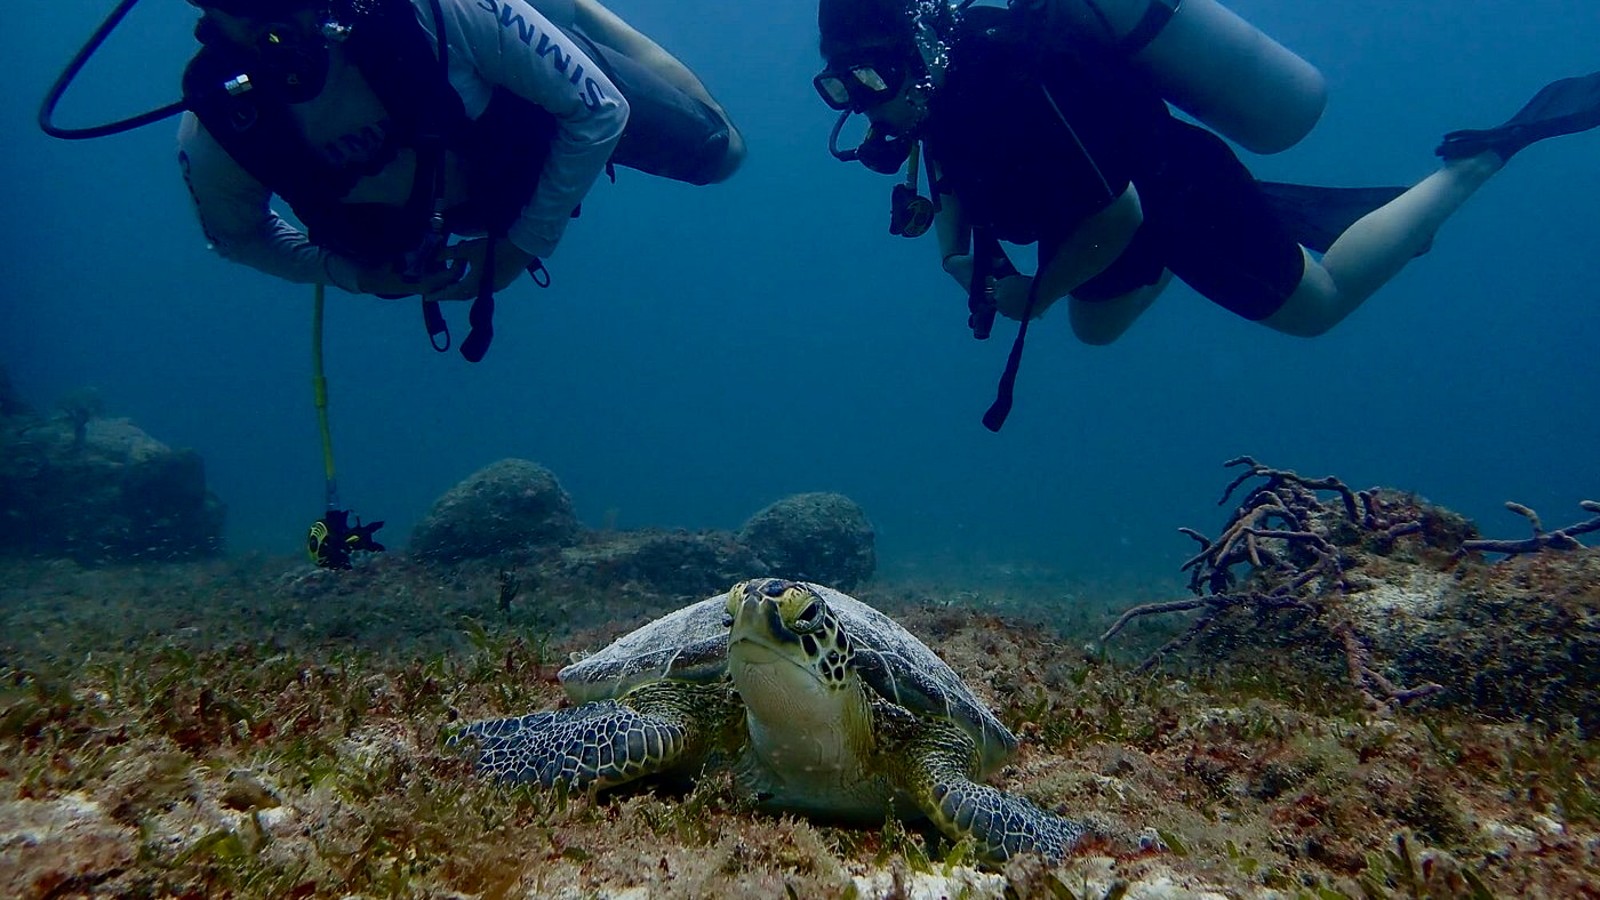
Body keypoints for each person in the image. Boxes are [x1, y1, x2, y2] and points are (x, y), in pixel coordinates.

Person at [813, 0, 1600, 428]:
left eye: (874, 76)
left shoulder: (1003, 80)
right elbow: (948, 175)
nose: (865, 101)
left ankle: (1480, 160)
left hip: (1170, 191)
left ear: (922, 47)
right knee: (1095, 332)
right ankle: (1222, 233)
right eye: (841, 86)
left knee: (1318, 307)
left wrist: (1035, 293)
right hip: (1089, 210)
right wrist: (958, 259)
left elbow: (1118, 217)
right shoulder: (931, 96)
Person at [179, 0, 745, 358]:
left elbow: (598, 108)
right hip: (470, 190)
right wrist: (351, 274)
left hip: (533, 117)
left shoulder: (433, 12)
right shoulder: (221, 127)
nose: (269, 19)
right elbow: (237, 235)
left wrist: (521, 247)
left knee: (722, 156)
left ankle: (567, 11)